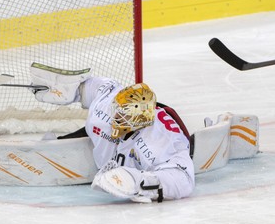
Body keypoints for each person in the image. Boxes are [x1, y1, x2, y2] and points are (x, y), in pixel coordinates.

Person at [32, 67, 195, 202]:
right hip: (109, 141)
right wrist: (67, 88)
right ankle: (59, 142)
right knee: (99, 127)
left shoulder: (161, 143)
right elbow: (93, 86)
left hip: (139, 152)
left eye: (122, 115)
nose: (115, 117)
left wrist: (139, 182)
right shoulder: (106, 103)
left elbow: (183, 179)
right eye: (116, 109)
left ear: (138, 121)